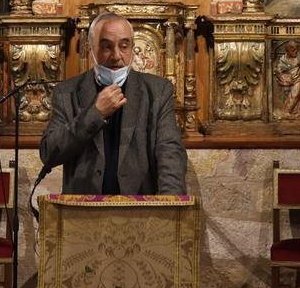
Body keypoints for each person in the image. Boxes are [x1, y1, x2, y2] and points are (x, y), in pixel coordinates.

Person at [39, 12, 188, 195]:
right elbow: (49, 153)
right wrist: (95, 113)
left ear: (132, 48)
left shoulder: (158, 91)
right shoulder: (66, 92)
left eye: (124, 46)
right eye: (106, 47)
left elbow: (170, 153)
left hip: (140, 211)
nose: (116, 55)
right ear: (90, 49)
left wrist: (169, 207)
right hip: (83, 213)